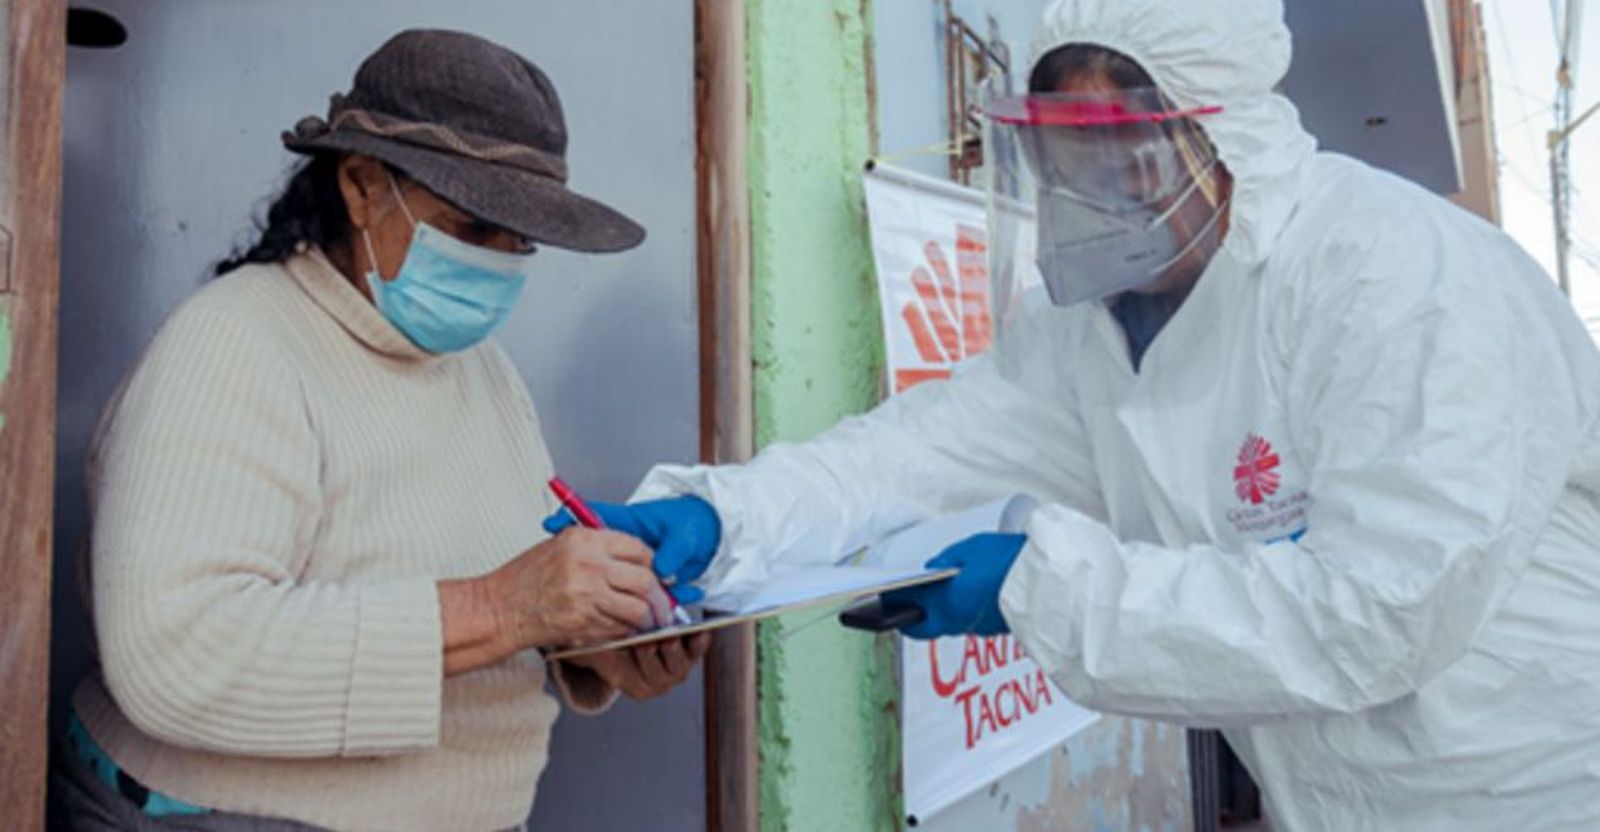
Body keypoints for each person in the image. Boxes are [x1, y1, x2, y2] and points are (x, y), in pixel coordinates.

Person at [543, 1, 1600, 829]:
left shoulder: (1396, 277)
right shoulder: (1096, 326)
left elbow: (1379, 612)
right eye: (1060, 156)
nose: (1088, 194)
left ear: (1229, 138)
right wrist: (719, 516)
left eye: (1122, 157)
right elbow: (911, 454)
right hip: (1335, 802)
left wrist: (1040, 590)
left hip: (1538, 791)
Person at [51, 29, 708, 832]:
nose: (500, 263)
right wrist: (506, 609)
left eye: (521, 241)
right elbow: (178, 657)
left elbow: (471, 585)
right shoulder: (233, 343)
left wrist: (591, 639)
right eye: (472, 229)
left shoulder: (484, 372)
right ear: (361, 186)